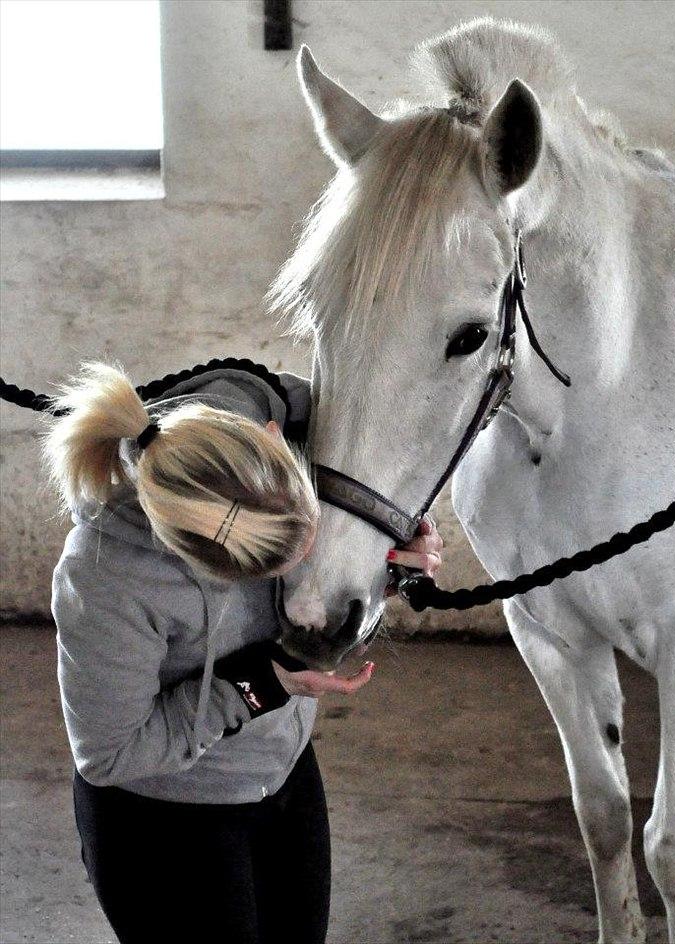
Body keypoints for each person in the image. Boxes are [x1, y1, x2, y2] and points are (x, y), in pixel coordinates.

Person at [46, 360, 443, 944]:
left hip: (282, 774)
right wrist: (259, 684)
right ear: (203, 559)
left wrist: (384, 549)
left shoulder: (254, 420)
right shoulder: (106, 577)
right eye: (270, 572)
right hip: (164, 818)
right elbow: (109, 755)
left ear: (274, 441)